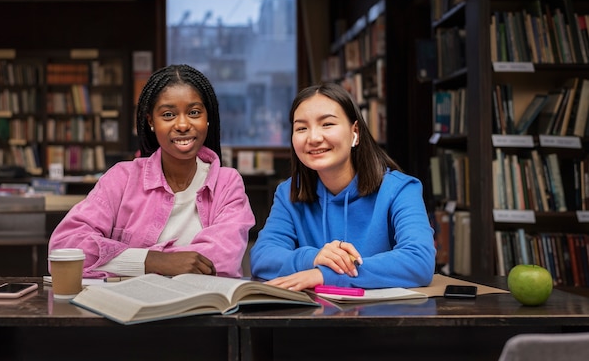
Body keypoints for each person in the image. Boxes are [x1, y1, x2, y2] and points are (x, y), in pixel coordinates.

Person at [49, 64, 255, 278]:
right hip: (128, 308)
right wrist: (153, 261)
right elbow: (65, 250)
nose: (183, 124)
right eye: (168, 114)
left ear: (207, 118)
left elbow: (222, 262)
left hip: (203, 308)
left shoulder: (227, 183)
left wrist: (119, 260)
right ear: (151, 122)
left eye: (194, 112)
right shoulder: (121, 179)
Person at [250, 82, 435, 291]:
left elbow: (419, 261)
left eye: (327, 124)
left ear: (354, 132)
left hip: (385, 318)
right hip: (312, 317)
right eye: (301, 128)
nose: (314, 138)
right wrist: (314, 257)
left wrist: (323, 274)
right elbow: (262, 257)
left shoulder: (400, 190)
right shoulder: (289, 193)